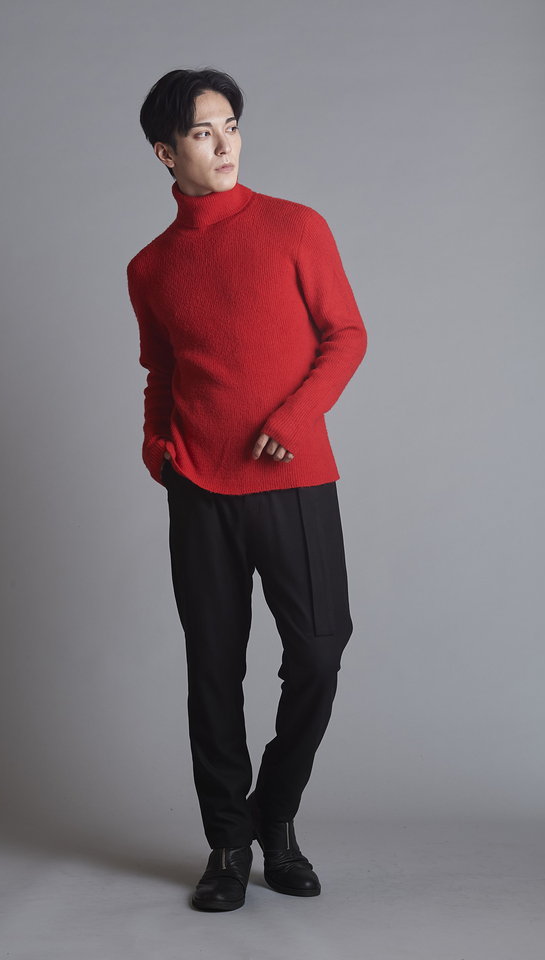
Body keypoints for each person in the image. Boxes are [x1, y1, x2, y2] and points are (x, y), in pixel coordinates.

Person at [126, 67, 367, 912]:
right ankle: (229, 843)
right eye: (203, 131)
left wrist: (295, 417)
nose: (224, 143)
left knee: (320, 651)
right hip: (198, 489)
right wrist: (157, 449)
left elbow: (346, 335)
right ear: (167, 152)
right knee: (213, 670)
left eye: (230, 124)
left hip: (292, 480)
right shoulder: (151, 267)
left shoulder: (296, 226)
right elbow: (161, 371)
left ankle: (274, 813)